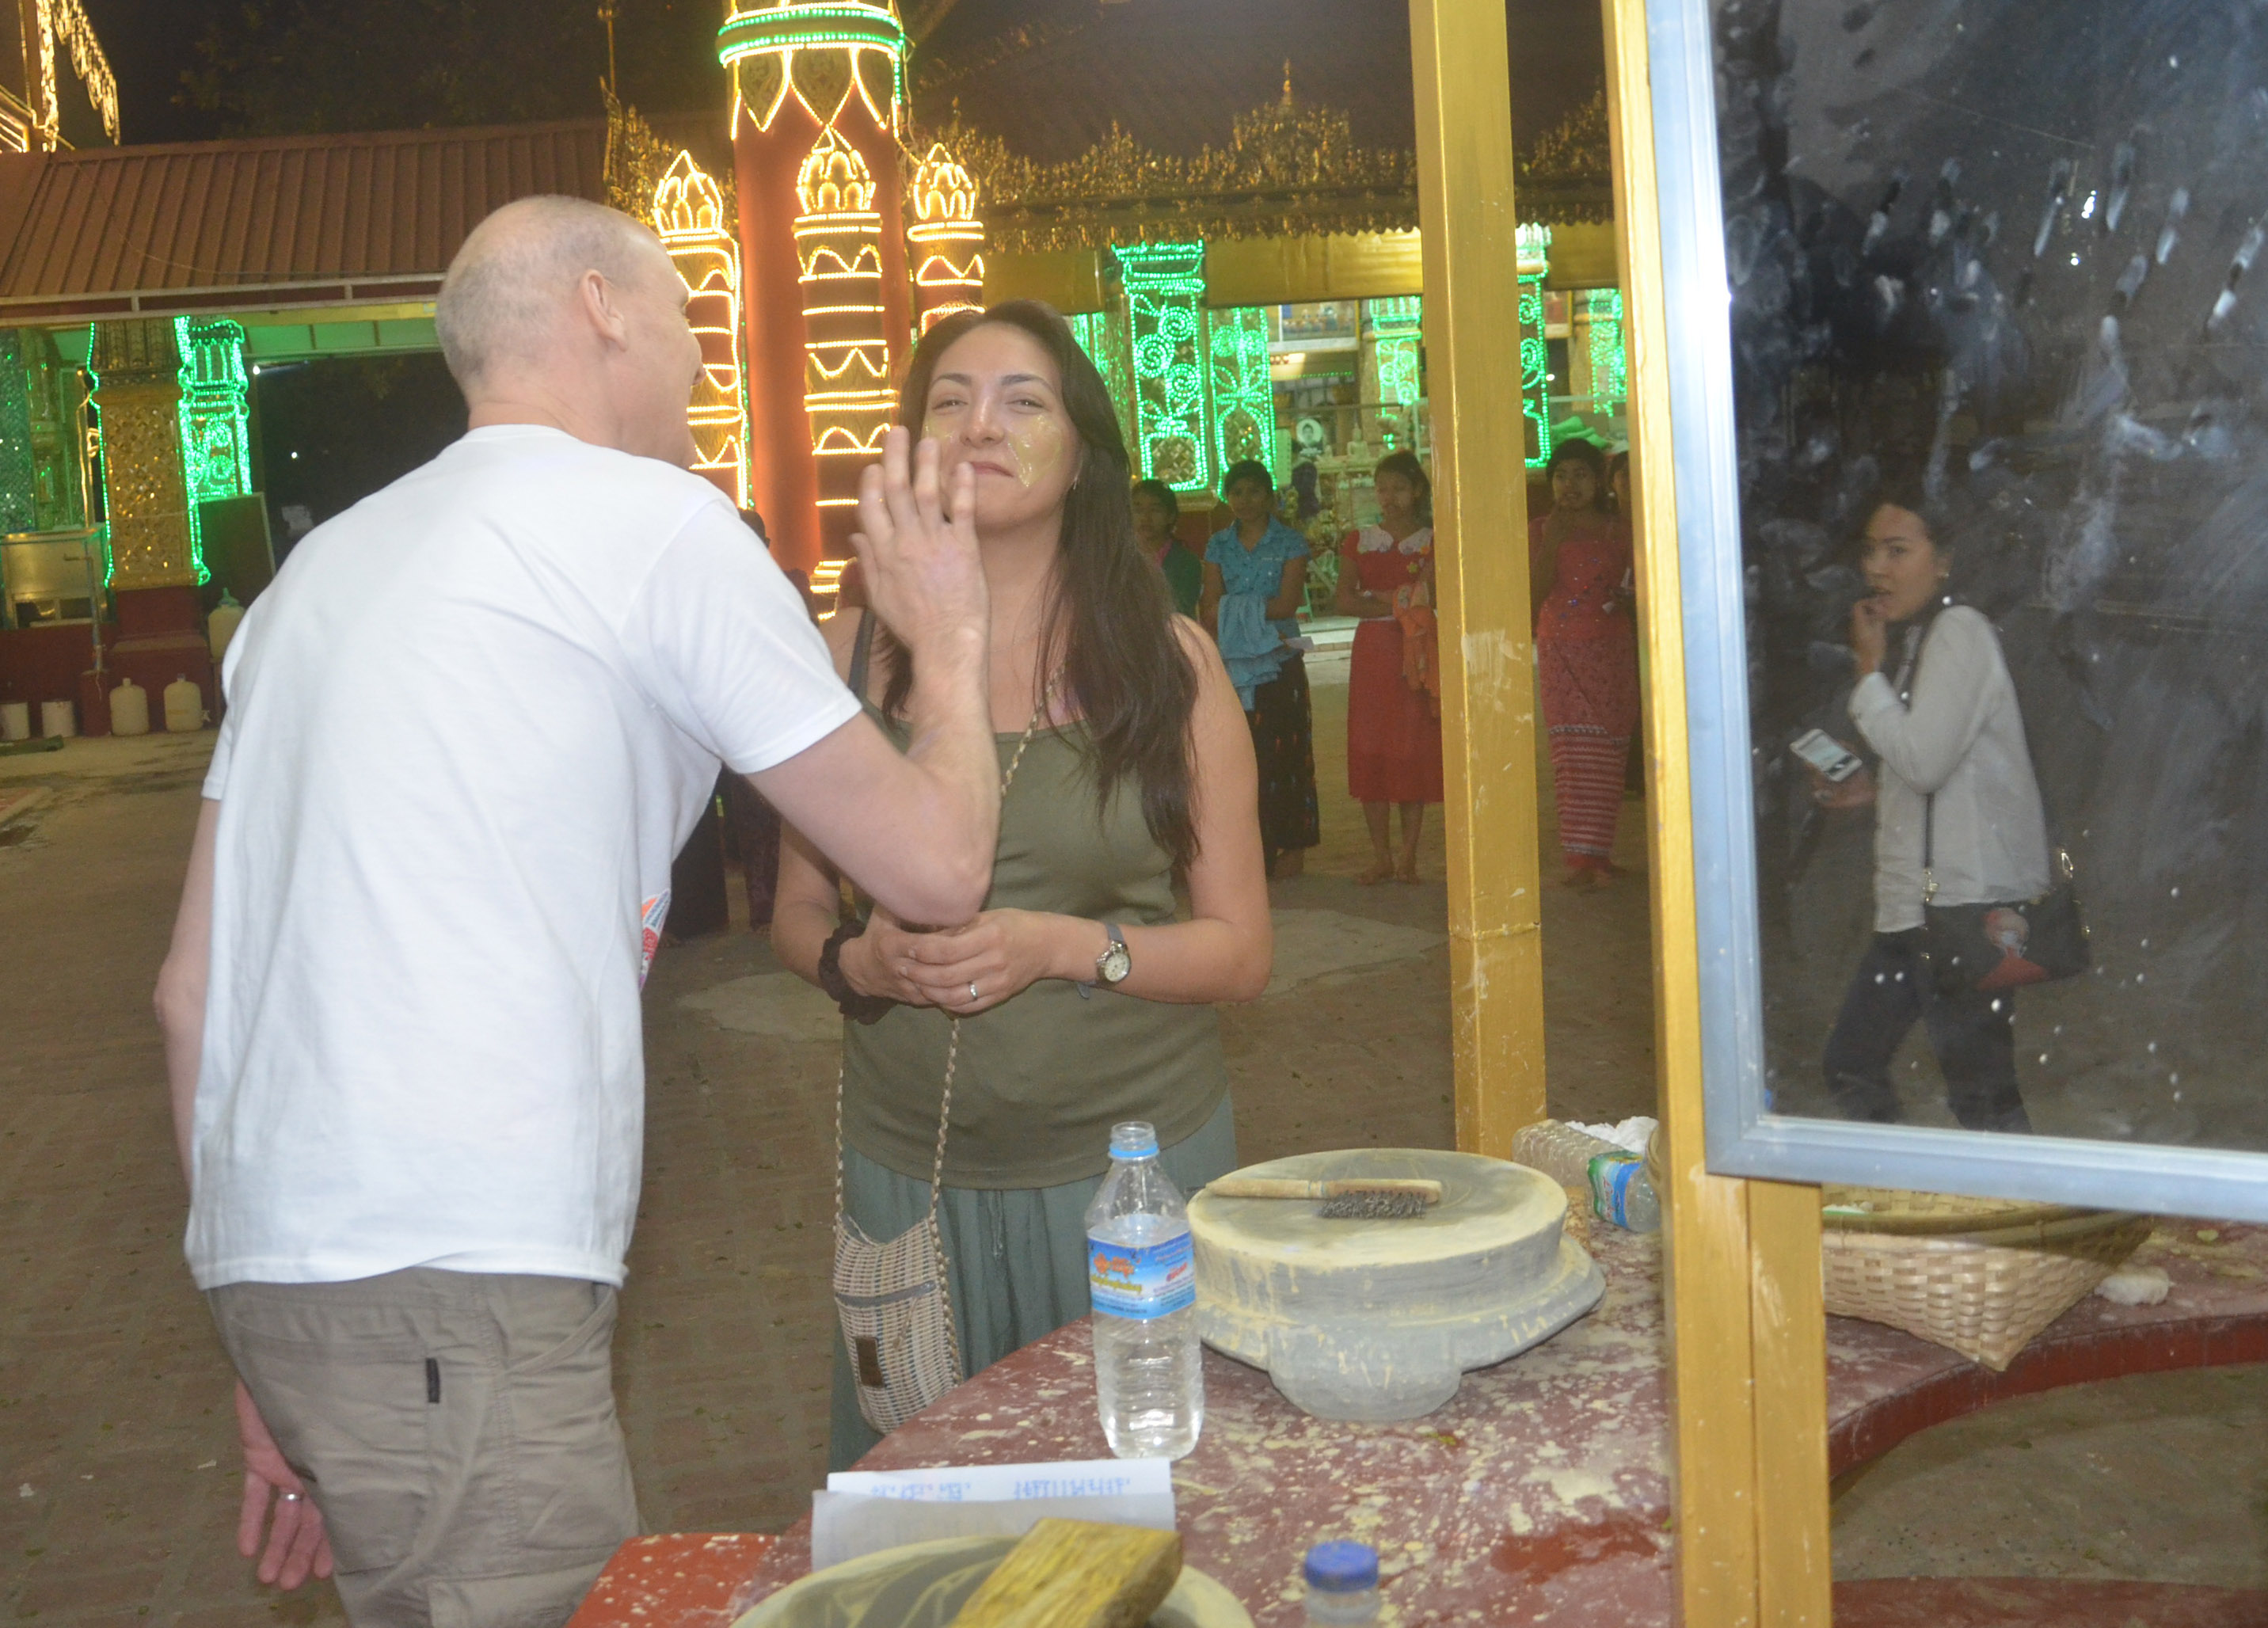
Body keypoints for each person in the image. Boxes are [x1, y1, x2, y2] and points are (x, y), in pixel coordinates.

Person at [154, 195, 1005, 1628]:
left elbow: (189, 993)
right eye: (685, 321)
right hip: (461, 1266)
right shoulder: (653, 527)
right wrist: (956, 638)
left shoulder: (318, 573)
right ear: (602, 308)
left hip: (288, 1268)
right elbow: (936, 870)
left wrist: (267, 1328)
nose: (701, 366)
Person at [770, 300, 1272, 1470]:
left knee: (1144, 1498)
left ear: (1083, 454)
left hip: (1130, 1183)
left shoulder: (1168, 664)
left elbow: (1241, 950)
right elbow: (796, 914)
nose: (981, 424)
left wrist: (1060, 945)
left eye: (1023, 401)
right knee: (938, 1511)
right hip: (914, 1174)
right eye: (950, 400)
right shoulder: (847, 656)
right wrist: (859, 962)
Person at [1813, 495, 2047, 1134]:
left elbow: (1923, 762)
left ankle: (2012, 1196)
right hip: (1920, 913)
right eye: (1871, 551)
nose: (1877, 569)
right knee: (1858, 1065)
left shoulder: (1960, 633)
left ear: (1942, 561)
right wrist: (1873, 791)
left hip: (1962, 914)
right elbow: (1939, 766)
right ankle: (1911, 1181)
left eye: (1898, 551)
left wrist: (1868, 673)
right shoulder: (1924, 638)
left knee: (1979, 1096)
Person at [1199, 459, 1319, 878]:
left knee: (1288, 753)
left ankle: (1294, 846)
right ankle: (1254, 850)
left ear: (1269, 497)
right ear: (1226, 497)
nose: (1245, 500)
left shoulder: (1289, 542)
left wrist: (1234, 608)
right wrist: (1241, 614)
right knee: (1240, 757)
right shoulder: (1218, 545)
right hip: (1234, 664)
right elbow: (1209, 608)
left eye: (1253, 491)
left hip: (1280, 659)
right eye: (1236, 492)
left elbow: (1287, 604)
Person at [1529, 438, 1638, 888]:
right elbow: (1531, 595)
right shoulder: (1540, 530)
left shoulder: (1620, 529)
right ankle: (1579, 858)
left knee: (1610, 751)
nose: (1569, 485)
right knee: (1574, 752)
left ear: (1599, 482)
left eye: (1580, 476)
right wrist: (1553, 542)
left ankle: (1600, 853)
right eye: (1560, 476)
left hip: (1612, 650)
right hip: (1561, 650)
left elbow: (1640, 583)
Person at [1334, 450, 1443, 883]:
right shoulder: (1358, 540)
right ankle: (1382, 856)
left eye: (1398, 488)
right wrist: (1398, 599)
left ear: (1417, 491)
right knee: (1372, 746)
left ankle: (1408, 856)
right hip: (1374, 652)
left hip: (1415, 647)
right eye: (1382, 489)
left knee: (1411, 747)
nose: (1389, 497)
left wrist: (1380, 598)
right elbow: (1344, 600)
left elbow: (1431, 596)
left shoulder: (1435, 540)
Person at [1132, 477, 1203, 616]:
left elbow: (1180, 611)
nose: (1146, 518)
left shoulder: (1186, 562)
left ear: (1170, 516)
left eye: (1155, 510)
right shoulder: (1120, 559)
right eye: (1138, 510)